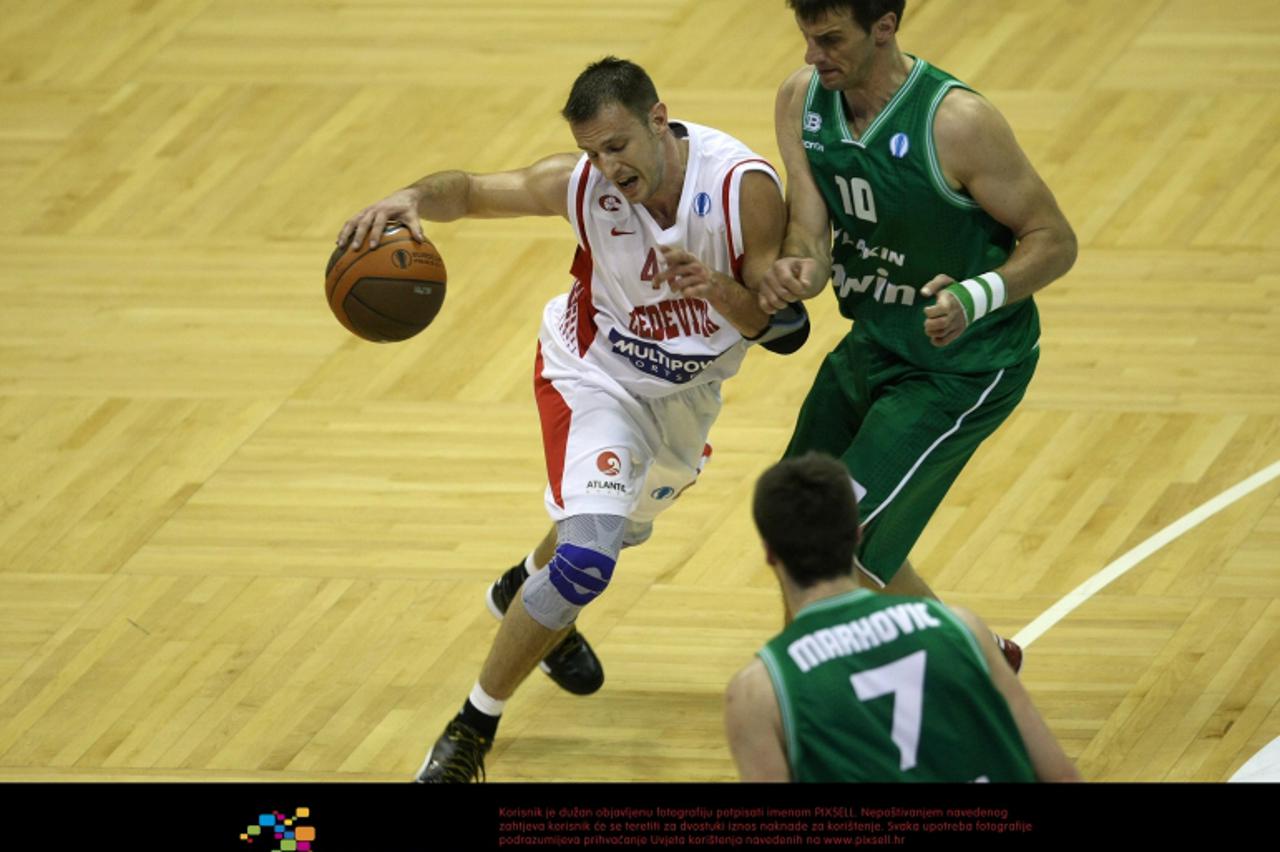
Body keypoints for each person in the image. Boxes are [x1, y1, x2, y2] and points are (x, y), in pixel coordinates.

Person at [337, 57, 808, 782]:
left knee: (600, 533)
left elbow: (777, 329)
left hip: (683, 402)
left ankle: (520, 587)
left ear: (659, 119)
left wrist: (713, 286)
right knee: (589, 560)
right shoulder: (582, 185)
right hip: (592, 376)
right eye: (592, 150)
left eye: (617, 146)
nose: (606, 167)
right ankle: (470, 731)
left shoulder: (740, 189)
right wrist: (410, 198)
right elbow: (468, 191)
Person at [756, 0, 1078, 671]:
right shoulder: (800, 99)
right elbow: (810, 227)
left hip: (960, 365)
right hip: (873, 341)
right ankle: (973, 655)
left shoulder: (957, 122)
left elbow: (1055, 241)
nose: (814, 57)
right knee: (795, 525)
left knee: (834, 548)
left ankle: (819, 704)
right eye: (806, 39)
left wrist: (976, 294)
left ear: (885, 27)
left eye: (830, 40)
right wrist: (800, 268)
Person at [725, 453, 1080, 782]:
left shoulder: (758, 691)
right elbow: (1060, 776)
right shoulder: (963, 628)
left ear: (770, 553)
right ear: (858, 535)